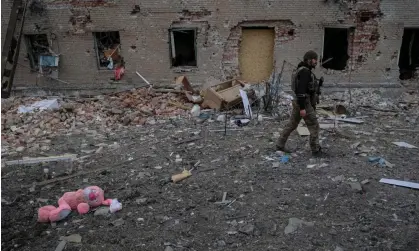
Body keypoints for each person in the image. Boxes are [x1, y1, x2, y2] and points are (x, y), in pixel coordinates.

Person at [276, 50, 325, 157]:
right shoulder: (305, 72)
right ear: (309, 60)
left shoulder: (302, 70)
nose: (316, 61)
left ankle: (280, 144)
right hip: (304, 103)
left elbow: (308, 88)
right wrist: (303, 108)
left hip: (298, 102)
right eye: (314, 59)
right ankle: (315, 149)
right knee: (314, 125)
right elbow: (301, 91)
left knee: (292, 124)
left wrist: (318, 84)